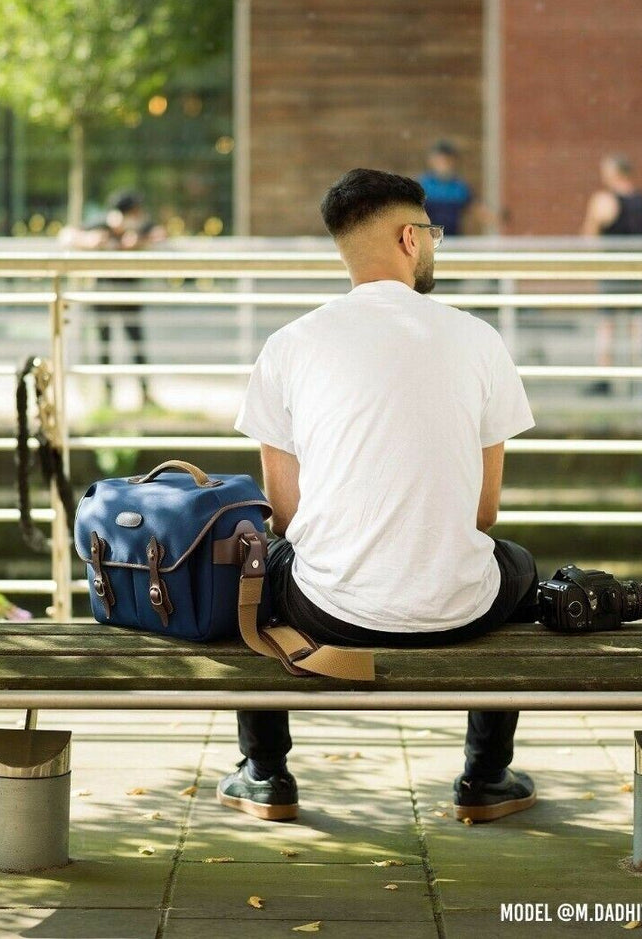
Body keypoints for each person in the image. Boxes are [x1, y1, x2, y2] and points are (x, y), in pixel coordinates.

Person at [219, 168, 541, 824]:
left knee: (246, 577)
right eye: (432, 233)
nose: (434, 244)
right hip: (460, 608)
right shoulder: (479, 338)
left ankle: (266, 772)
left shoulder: (288, 345)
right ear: (407, 238)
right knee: (515, 561)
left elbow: (284, 517)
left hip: (327, 612)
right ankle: (484, 776)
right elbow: (482, 514)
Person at [58, 191, 165, 407]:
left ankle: (144, 392)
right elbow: (65, 235)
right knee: (104, 347)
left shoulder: (139, 227)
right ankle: (108, 395)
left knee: (137, 346)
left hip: (129, 295)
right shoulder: (100, 224)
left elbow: (161, 233)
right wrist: (90, 241)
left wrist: (138, 241)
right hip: (103, 295)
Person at [580, 155, 642, 397]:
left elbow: (589, 236)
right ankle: (638, 377)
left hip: (613, 268)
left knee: (607, 323)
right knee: (636, 322)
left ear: (613, 173)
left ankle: (606, 377)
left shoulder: (605, 199)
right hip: (639, 269)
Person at [418, 140, 495, 236]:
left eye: (446, 161)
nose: (442, 164)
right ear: (431, 161)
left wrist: (495, 218)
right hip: (429, 238)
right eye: (439, 160)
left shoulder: (459, 187)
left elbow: (475, 208)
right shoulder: (423, 185)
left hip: (453, 239)